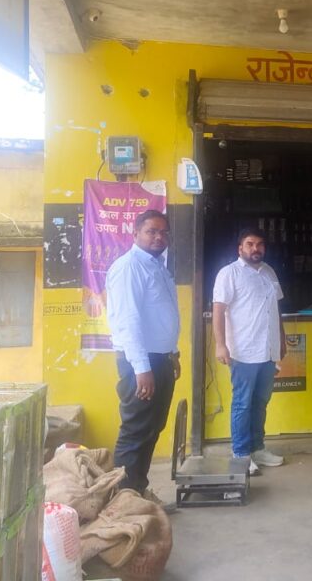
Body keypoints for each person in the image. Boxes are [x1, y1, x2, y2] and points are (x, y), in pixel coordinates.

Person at [105, 210, 180, 497]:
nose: (159, 237)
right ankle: (123, 500)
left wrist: (173, 354)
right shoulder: (129, 267)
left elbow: (161, 316)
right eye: (152, 231)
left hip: (159, 358)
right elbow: (128, 321)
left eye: (163, 232)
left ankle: (138, 490)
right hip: (141, 363)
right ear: (135, 233)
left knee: (152, 427)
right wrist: (142, 368)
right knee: (136, 430)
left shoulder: (157, 266)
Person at [213, 228, 287, 474]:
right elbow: (218, 311)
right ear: (240, 248)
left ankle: (258, 448)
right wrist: (220, 344)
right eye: (250, 244)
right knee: (243, 404)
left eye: (260, 244)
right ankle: (242, 454)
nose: (256, 248)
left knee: (260, 402)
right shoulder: (229, 274)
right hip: (243, 351)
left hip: (268, 350)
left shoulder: (269, 272)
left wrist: (282, 339)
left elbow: (275, 310)